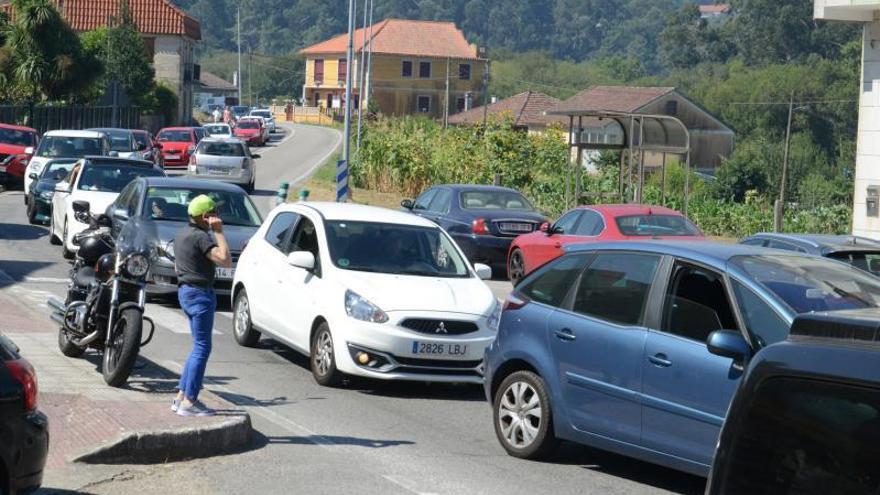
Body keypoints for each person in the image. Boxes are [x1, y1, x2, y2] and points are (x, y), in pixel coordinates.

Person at [171, 195, 232, 416]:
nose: (217, 216)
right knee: (202, 348)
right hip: (200, 294)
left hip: (185, 292)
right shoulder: (201, 237)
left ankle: (180, 396)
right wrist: (218, 231)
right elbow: (225, 259)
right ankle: (189, 401)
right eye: (214, 213)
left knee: (196, 346)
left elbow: (178, 268)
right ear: (205, 217)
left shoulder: (181, 234)